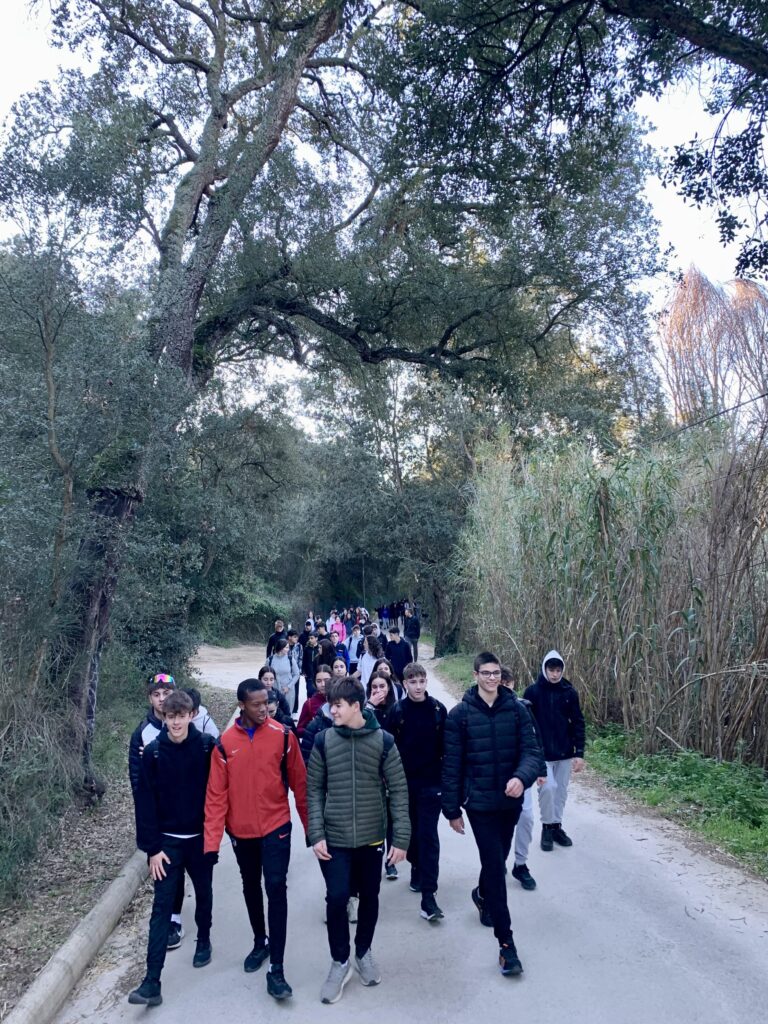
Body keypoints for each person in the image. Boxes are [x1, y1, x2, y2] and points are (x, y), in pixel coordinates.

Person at [307, 676, 410, 1004]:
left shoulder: (384, 741)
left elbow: (399, 791)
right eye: (331, 705)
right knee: (337, 898)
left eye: (338, 705)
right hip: (334, 837)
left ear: (356, 706)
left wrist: (401, 838)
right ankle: (340, 961)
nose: (332, 711)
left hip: (370, 837)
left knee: (370, 897)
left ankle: (363, 951)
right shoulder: (323, 741)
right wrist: (316, 833)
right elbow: (313, 790)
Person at [204, 678, 308, 1002]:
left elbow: (301, 785)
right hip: (242, 832)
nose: (264, 709)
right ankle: (260, 941)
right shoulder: (224, 744)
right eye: (257, 704)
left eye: (267, 703)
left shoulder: (283, 735)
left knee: (276, 887)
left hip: (277, 827)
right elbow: (216, 797)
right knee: (251, 885)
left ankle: (277, 968)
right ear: (242, 706)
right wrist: (211, 844)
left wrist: (312, 830)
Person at [442, 652, 545, 977]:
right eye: (485, 673)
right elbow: (452, 765)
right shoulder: (459, 715)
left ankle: (481, 893)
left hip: (510, 802)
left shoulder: (517, 710)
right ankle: (506, 945)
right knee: (495, 866)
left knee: (497, 859)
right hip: (479, 805)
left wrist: (521, 778)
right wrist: (451, 809)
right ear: (475, 675)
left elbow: (532, 753)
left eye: (496, 673)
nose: (491, 678)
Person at [127, 690, 218, 1007]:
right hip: (167, 845)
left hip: (199, 839)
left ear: (192, 715)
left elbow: (219, 793)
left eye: (181, 716)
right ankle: (152, 982)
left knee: (204, 892)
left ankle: (204, 938)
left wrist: (215, 836)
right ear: (163, 717)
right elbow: (145, 802)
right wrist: (152, 849)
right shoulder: (152, 753)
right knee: (161, 909)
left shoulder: (206, 747)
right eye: (170, 716)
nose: (176, 722)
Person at [129, 673, 187, 951]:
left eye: (167, 693)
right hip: (159, 815)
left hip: (185, 814)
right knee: (164, 868)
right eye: (156, 694)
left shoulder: (186, 723)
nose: (162, 699)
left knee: (182, 867)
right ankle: (169, 919)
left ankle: (178, 916)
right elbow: (137, 779)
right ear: (149, 698)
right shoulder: (142, 732)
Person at [386, 662, 447, 922]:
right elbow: (388, 750)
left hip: (432, 785)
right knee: (410, 836)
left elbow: (447, 748)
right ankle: (416, 865)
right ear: (405, 684)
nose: (418, 686)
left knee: (428, 836)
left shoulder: (438, 710)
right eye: (413, 682)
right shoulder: (397, 712)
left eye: (422, 681)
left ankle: (429, 898)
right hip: (404, 785)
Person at [523, 650, 585, 851]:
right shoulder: (532, 692)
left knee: (560, 792)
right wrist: (529, 751)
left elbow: (578, 722)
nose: (555, 674)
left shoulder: (569, 692)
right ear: (545, 669)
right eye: (551, 670)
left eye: (558, 670)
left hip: (565, 751)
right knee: (548, 788)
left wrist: (579, 753)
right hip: (542, 754)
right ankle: (547, 828)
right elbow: (525, 724)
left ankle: (556, 826)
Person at [499, 666, 539, 891]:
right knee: (500, 824)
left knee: (526, 818)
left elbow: (535, 742)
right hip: (497, 779)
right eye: (501, 684)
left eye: (508, 684)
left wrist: (539, 771)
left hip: (522, 776)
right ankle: (499, 860)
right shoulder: (484, 711)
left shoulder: (524, 708)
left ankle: (521, 864)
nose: (505, 688)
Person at [268, 639, 300, 715]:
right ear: (281, 648)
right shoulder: (270, 660)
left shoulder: (290, 659)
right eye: (286, 647)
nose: (288, 649)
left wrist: (288, 687)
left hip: (288, 691)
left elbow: (297, 674)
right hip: (274, 690)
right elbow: (265, 673)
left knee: (288, 713)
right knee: (274, 713)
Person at [297, 665, 331, 736]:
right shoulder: (309, 703)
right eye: (319, 681)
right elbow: (299, 730)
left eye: (326, 680)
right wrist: (313, 730)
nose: (323, 684)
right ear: (315, 682)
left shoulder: (340, 700)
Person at [286, 629, 303, 711]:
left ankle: (294, 710)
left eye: (297, 637)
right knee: (287, 690)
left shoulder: (299, 646)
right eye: (295, 637)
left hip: (296, 672)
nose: (297, 638)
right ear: (289, 637)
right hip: (286, 672)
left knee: (296, 691)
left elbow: (301, 658)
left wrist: (299, 670)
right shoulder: (284, 645)